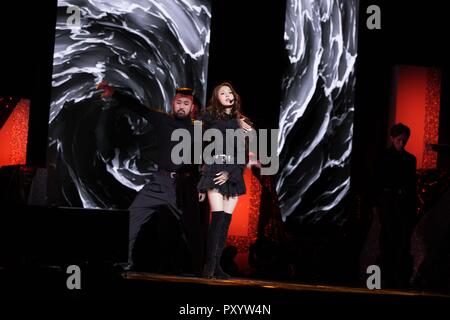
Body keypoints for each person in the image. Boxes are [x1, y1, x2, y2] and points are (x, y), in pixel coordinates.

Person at [197, 82, 253, 279]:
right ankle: (209, 266)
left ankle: (217, 266)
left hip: (233, 173)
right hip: (215, 169)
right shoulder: (211, 117)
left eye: (230, 92)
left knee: (225, 224)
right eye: (223, 93)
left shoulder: (242, 122)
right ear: (216, 98)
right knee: (217, 218)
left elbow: (243, 154)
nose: (228, 95)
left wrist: (232, 173)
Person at [372, 123, 417, 289]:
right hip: (388, 203)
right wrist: (377, 204)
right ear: (392, 138)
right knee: (388, 238)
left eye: (404, 140)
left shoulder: (410, 159)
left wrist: (412, 207)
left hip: (403, 204)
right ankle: (387, 277)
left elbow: (412, 185)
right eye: (399, 140)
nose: (402, 143)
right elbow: (377, 180)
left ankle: (398, 278)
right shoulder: (384, 156)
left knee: (402, 241)